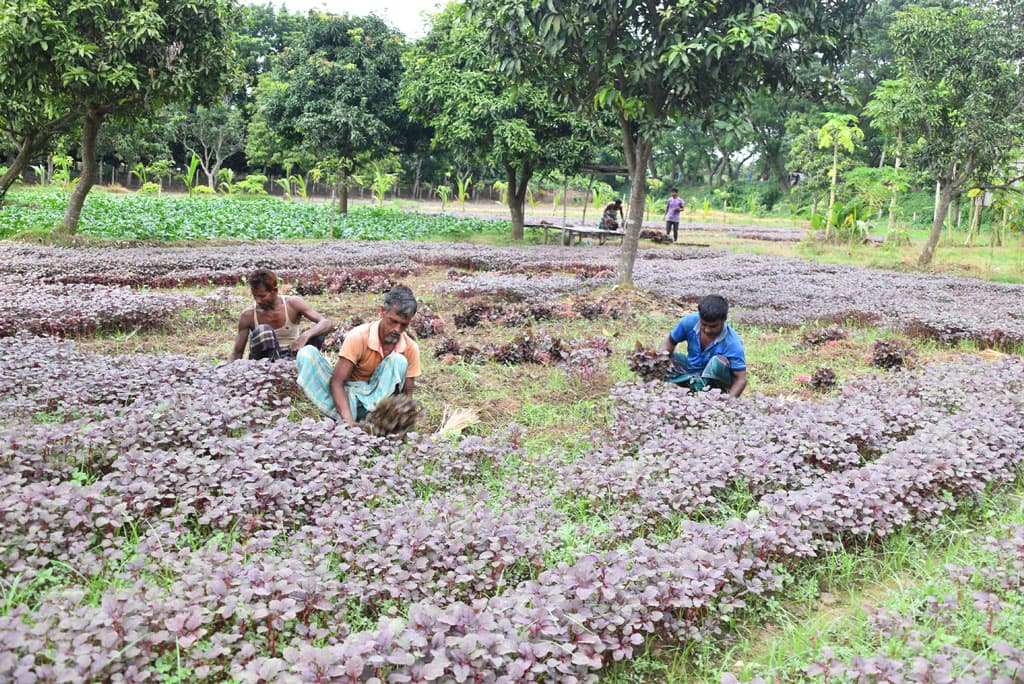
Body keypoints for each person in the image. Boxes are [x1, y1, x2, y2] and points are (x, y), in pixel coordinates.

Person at [296, 285, 421, 425]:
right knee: (306, 354)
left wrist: (401, 427)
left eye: (404, 325)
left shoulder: (410, 348)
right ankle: (343, 417)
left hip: (378, 408)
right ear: (382, 311)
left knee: (399, 361)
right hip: (347, 399)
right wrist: (349, 424)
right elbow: (337, 382)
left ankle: (370, 422)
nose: (397, 329)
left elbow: (406, 396)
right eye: (393, 321)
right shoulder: (359, 336)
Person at [230, 269, 332, 361]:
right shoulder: (248, 315)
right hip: (264, 362)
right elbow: (237, 351)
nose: (258, 301)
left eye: (262, 296)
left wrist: (305, 336)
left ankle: (298, 367)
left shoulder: (292, 303)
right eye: (255, 296)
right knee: (263, 331)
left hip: (293, 355)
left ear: (274, 291)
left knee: (318, 333)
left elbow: (326, 323)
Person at [658, 294, 747, 398]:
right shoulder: (690, 321)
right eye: (703, 324)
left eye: (713, 326)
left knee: (717, 362)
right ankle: (690, 385)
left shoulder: (733, 343)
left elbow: (741, 379)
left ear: (724, 320)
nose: (707, 330)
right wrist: (660, 359)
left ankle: (702, 392)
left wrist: (729, 402)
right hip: (693, 372)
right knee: (666, 357)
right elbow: (670, 341)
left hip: (716, 383)